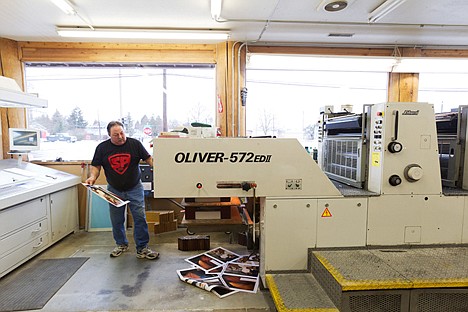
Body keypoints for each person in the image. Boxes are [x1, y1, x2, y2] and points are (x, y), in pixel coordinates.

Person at [85, 120, 159, 260]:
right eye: (115, 135)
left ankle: (142, 248)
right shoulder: (102, 148)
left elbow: (149, 158)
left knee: (139, 217)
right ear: (109, 135)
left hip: (134, 187)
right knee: (117, 219)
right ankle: (121, 244)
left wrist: (157, 168)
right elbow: (96, 166)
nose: (120, 137)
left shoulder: (134, 144)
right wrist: (92, 177)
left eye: (122, 133)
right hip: (114, 189)